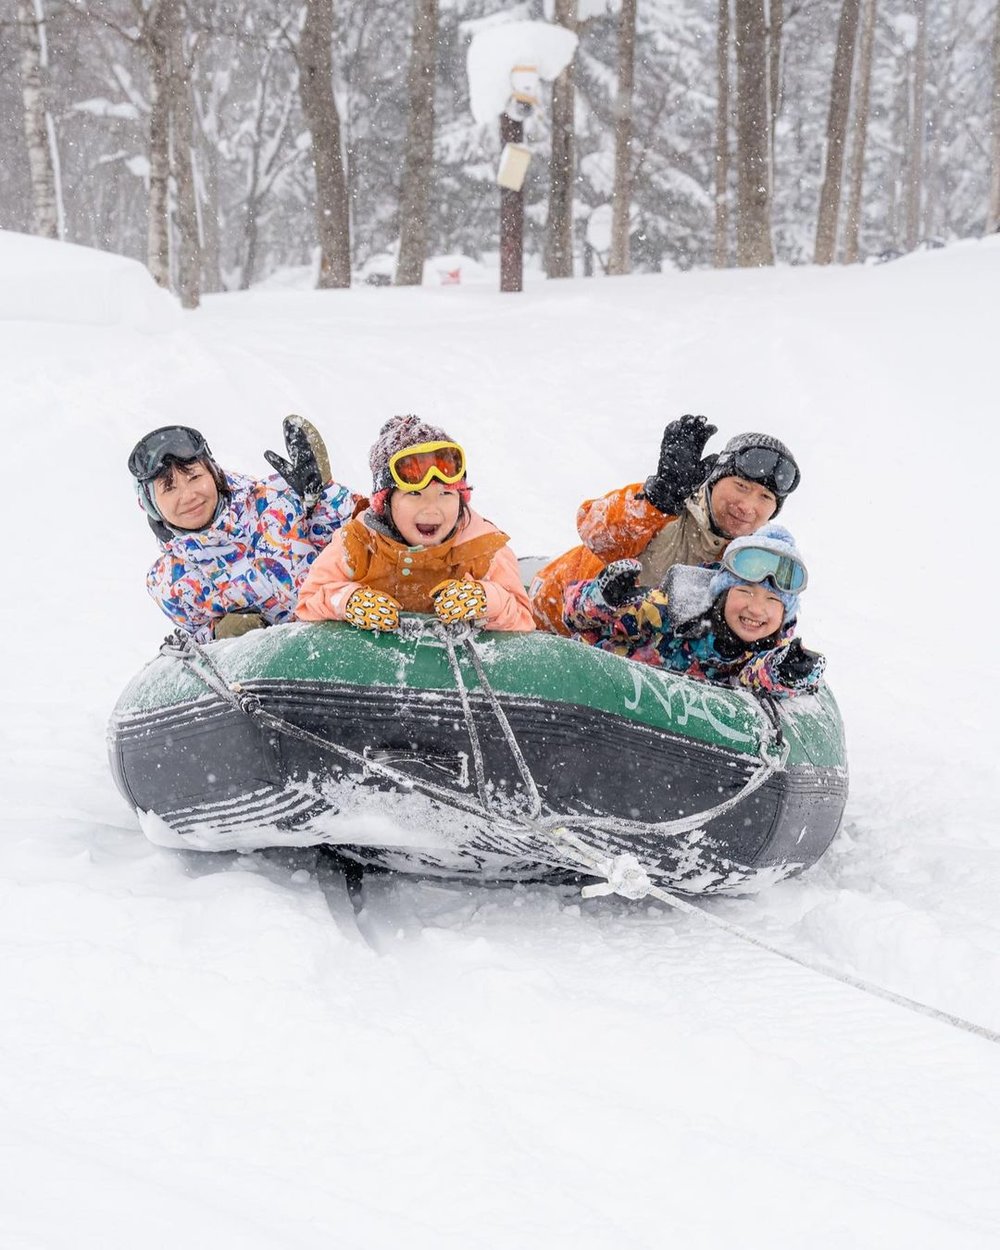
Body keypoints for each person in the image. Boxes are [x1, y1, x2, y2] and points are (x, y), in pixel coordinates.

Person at [530, 415, 801, 635]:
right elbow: (594, 532)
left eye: (765, 497)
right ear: (714, 480)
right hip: (549, 624)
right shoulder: (666, 509)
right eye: (741, 486)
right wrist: (658, 497)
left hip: (624, 652)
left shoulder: (754, 561)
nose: (747, 506)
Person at [296, 414, 535, 632]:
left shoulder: (484, 549)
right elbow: (308, 603)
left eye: (445, 494)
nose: (432, 508)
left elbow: (524, 619)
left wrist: (485, 599)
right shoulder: (357, 543)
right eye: (414, 494)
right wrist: (349, 602)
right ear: (385, 501)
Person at [128, 417, 358, 641]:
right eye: (169, 489)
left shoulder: (279, 498)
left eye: (195, 477)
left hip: (351, 631)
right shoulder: (169, 582)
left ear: (213, 473)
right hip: (286, 664)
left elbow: (358, 535)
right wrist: (217, 633)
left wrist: (323, 494)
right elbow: (197, 643)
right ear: (150, 504)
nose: (188, 496)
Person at [562, 524, 825, 699]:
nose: (756, 609)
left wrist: (788, 674)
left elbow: (753, 678)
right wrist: (604, 600)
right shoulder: (670, 609)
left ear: (785, 614)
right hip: (604, 696)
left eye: (772, 600)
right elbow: (578, 622)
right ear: (723, 594)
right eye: (745, 592)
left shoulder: (774, 653)